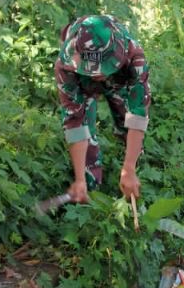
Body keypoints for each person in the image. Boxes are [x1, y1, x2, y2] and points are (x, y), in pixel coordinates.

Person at [53, 13, 150, 204]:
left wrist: (129, 168)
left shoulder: (133, 56)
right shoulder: (66, 64)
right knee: (86, 142)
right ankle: (89, 189)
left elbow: (137, 114)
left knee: (126, 123)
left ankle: (133, 173)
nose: (97, 74)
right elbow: (75, 122)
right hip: (81, 78)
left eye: (101, 69)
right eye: (92, 69)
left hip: (119, 77)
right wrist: (80, 179)